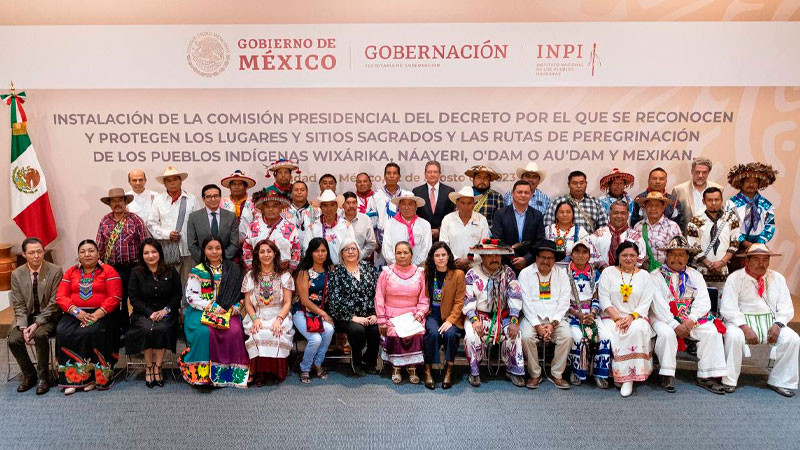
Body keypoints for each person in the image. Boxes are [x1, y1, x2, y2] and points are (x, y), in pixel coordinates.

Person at [649, 236, 727, 394]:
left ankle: (707, 375)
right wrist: (674, 325)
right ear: (666, 256)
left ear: (687, 257)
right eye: (673, 254)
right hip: (663, 318)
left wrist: (691, 320)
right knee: (666, 333)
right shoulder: (655, 276)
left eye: (681, 255)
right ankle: (667, 374)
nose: (677, 258)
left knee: (711, 331)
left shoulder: (695, 275)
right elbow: (658, 305)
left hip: (689, 318)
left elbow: (703, 302)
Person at [720, 244, 799, 397]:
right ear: (747, 261)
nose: (761, 264)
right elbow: (728, 308)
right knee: (734, 336)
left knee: (792, 338)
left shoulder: (778, 278)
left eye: (765, 260)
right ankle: (729, 380)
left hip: (770, 322)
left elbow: (786, 307)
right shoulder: (735, 278)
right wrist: (745, 327)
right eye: (756, 259)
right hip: (740, 322)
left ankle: (780, 381)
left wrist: (778, 324)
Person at [179, 237, 249, 388]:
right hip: (200, 310)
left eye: (218, 248)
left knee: (234, 331)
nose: (214, 252)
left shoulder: (233, 270)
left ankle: (227, 374)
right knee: (204, 332)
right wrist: (214, 308)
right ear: (204, 251)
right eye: (210, 248)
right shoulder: (197, 271)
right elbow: (191, 298)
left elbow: (241, 295)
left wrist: (236, 308)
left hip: (227, 311)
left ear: (222, 250)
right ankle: (202, 375)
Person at [55, 240, 122, 395]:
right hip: (75, 313)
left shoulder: (109, 271)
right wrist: (77, 312)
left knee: (91, 332)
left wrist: (96, 315)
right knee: (63, 331)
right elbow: (60, 296)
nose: (87, 254)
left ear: (98, 254)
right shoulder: (71, 272)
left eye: (91, 251)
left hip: (102, 314)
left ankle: (93, 378)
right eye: (83, 251)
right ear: (78, 255)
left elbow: (115, 297)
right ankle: (72, 379)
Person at [462, 239, 526, 387]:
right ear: (482, 256)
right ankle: (474, 372)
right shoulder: (472, 274)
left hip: (503, 316)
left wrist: (514, 320)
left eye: (497, 255)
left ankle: (513, 371)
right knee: (471, 336)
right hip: (477, 315)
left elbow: (515, 295)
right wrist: (474, 320)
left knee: (515, 334)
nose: (494, 258)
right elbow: (467, 298)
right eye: (490, 255)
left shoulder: (508, 273)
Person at [597, 241, 654, 397]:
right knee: (616, 332)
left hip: (637, 317)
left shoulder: (645, 276)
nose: (628, 259)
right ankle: (619, 375)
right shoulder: (608, 272)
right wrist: (617, 319)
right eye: (624, 255)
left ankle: (628, 378)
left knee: (636, 329)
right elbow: (604, 299)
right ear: (618, 256)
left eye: (632, 255)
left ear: (637, 257)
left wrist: (631, 317)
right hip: (611, 317)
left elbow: (646, 302)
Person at [7, 237, 63, 395]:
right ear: (24, 254)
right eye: (32, 253)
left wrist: (37, 323)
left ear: (44, 252)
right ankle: (29, 374)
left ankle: (43, 377)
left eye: (39, 251)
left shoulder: (55, 270)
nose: (36, 256)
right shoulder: (17, 274)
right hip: (27, 316)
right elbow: (18, 304)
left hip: (49, 316)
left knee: (40, 335)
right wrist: (23, 326)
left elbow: (54, 303)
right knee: (14, 339)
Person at [95, 187, 149, 349]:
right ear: (109, 204)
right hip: (112, 269)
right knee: (118, 301)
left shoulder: (135, 220)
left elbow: (145, 244)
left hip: (134, 267)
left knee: (136, 300)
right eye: (114, 201)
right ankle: (124, 332)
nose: (117, 203)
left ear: (125, 202)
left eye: (120, 200)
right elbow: (100, 246)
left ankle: (139, 333)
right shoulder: (104, 221)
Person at [125, 238, 181, 388]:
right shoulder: (136, 273)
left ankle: (158, 366)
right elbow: (134, 298)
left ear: (160, 253)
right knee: (146, 329)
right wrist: (149, 313)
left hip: (166, 312)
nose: (150, 256)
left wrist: (165, 310)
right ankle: (149, 367)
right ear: (142, 255)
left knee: (162, 328)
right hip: (143, 313)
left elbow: (177, 295)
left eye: (154, 252)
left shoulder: (170, 270)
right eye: (146, 253)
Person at [518, 240, 573, 389]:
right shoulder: (525, 274)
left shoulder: (561, 274)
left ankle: (557, 374)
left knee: (567, 337)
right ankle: (535, 374)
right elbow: (526, 303)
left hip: (555, 319)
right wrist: (537, 325)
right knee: (526, 337)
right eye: (542, 257)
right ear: (536, 257)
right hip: (532, 318)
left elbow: (564, 302)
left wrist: (553, 324)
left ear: (555, 260)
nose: (546, 261)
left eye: (550, 258)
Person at [241, 239, 295, 386]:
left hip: (280, 314)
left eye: (269, 251)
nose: (266, 255)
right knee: (257, 332)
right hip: (257, 314)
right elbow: (248, 304)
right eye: (262, 252)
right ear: (257, 255)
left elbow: (288, 303)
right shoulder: (250, 276)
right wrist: (254, 319)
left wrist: (279, 319)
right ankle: (260, 373)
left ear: (275, 253)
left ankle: (277, 372)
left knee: (276, 331)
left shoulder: (284, 275)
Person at [376, 241, 429, 384]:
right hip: (391, 314)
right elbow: (379, 297)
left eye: (405, 252)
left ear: (411, 255)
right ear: (394, 255)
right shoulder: (386, 272)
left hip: (413, 314)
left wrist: (420, 314)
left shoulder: (419, 273)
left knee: (416, 332)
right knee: (394, 333)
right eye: (398, 253)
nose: (402, 255)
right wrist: (381, 319)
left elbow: (424, 298)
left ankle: (412, 367)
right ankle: (396, 367)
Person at [328, 239, 380, 376]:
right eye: (346, 249)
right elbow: (334, 301)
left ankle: (370, 361)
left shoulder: (368, 268)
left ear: (358, 252)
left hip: (369, 313)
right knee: (358, 330)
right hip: (345, 316)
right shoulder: (337, 272)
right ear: (342, 254)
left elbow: (378, 293)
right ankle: (356, 360)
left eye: (353, 249)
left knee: (375, 329)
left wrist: (375, 313)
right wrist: (353, 317)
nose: (350, 252)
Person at [564, 241, 610, 388]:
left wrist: (593, 313)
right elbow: (562, 299)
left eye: (584, 252)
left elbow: (597, 297)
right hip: (571, 314)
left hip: (591, 314)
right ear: (571, 255)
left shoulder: (594, 274)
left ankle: (600, 374)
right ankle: (576, 371)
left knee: (605, 337)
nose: (580, 255)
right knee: (578, 338)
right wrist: (577, 314)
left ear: (589, 256)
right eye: (577, 252)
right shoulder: (565, 273)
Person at [147, 166, 200, 290]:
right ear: (164, 183)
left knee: (190, 284)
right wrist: (167, 234)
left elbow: (198, 223)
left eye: (175, 179)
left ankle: (187, 303)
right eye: (169, 180)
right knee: (169, 284)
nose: (172, 183)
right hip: (167, 250)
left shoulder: (191, 199)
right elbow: (151, 224)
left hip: (188, 250)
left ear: (181, 181)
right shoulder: (158, 200)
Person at [422, 242, 465, 390]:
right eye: (437, 255)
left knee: (450, 334)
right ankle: (428, 370)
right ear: (432, 258)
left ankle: (449, 370)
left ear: (448, 256)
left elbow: (459, 301)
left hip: (451, 316)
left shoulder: (458, 274)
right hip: (432, 315)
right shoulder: (427, 273)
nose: (440, 258)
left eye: (443, 255)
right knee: (433, 333)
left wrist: (450, 320)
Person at [293, 238, 336, 383]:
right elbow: (304, 300)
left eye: (323, 250)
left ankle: (317, 363)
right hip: (302, 312)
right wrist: (324, 314)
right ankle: (305, 368)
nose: (320, 254)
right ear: (310, 252)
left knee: (329, 330)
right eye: (317, 251)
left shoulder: (330, 269)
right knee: (315, 339)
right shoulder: (304, 272)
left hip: (319, 314)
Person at [725, 162, 778, 271]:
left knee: (758, 272)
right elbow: (729, 225)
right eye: (748, 181)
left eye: (754, 182)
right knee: (737, 275)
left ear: (759, 184)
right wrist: (744, 242)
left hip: (759, 247)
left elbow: (770, 225)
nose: (751, 184)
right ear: (741, 183)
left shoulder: (766, 204)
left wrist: (760, 242)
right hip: (736, 247)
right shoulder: (732, 203)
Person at [686, 187, 741, 289]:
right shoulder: (696, 221)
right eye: (710, 200)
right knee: (702, 296)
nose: (714, 203)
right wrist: (708, 263)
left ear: (722, 200)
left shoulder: (731, 219)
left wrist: (722, 262)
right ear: (704, 201)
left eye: (717, 199)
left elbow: (735, 243)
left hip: (723, 270)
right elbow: (693, 246)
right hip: (701, 271)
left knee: (723, 297)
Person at [490, 180, 546, 272]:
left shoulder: (537, 215)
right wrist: (513, 257)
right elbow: (497, 240)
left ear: (531, 195)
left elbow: (539, 241)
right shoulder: (500, 214)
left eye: (526, 192)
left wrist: (526, 259)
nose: (523, 195)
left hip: (530, 266)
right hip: (505, 264)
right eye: (520, 192)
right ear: (513, 194)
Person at [243, 186, 301, 271]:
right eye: (267, 206)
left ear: (281, 208)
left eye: (275, 206)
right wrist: (252, 269)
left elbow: (296, 250)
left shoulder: (290, 227)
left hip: (283, 271)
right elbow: (247, 249)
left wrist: (290, 271)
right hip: (258, 271)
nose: (270, 209)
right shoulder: (253, 226)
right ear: (262, 208)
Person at [439, 186, 490, 271]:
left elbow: (484, 246)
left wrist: (468, 260)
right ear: (457, 203)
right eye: (462, 203)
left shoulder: (482, 220)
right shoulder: (447, 219)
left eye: (469, 203)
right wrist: (456, 259)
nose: (466, 206)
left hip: (476, 268)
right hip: (452, 266)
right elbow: (444, 244)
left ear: (474, 204)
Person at [586, 200, 645, 269]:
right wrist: (602, 266)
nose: (619, 216)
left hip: (629, 274)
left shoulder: (636, 238)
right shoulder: (597, 235)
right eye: (615, 213)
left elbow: (641, 259)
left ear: (628, 215)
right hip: (601, 274)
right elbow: (590, 257)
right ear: (609, 214)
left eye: (623, 213)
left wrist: (624, 269)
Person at [187, 184, 239, 263]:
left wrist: (222, 259)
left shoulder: (231, 216)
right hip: (202, 263)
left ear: (220, 197)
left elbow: (234, 243)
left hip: (226, 263)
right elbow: (192, 244)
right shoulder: (194, 217)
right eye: (209, 197)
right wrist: (205, 259)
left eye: (216, 196)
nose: (213, 199)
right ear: (203, 199)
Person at [632, 191, 682, 271]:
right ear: (645, 207)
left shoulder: (672, 227)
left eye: (657, 205)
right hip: (642, 272)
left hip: (665, 272)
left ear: (663, 207)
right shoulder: (638, 226)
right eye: (650, 205)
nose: (653, 209)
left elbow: (678, 252)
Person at [381, 191, 432, 266]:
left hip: (418, 268)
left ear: (416, 207)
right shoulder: (390, 224)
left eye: (410, 204)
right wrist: (399, 265)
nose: (407, 207)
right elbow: (386, 249)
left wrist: (414, 266)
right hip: (395, 268)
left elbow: (426, 248)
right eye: (403, 204)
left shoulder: (425, 225)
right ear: (399, 206)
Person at [672, 157, 722, 232]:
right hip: (686, 236)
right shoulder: (679, 190)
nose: (700, 175)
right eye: (697, 172)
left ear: (708, 172)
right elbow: (673, 217)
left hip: (711, 235)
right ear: (692, 171)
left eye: (704, 172)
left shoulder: (719, 189)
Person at [303, 190, 354, 265]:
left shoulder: (346, 226)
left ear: (337, 206)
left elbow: (352, 249)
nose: (329, 209)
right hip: (319, 267)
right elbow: (307, 249)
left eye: (332, 205)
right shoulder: (313, 227)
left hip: (342, 267)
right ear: (321, 208)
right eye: (325, 205)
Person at [412, 160, 455, 241]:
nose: (432, 174)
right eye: (429, 172)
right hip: (422, 236)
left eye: (435, 172)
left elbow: (451, 215)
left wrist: (439, 230)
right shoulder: (417, 191)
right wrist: (427, 230)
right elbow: (415, 215)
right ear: (425, 174)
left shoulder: (449, 191)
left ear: (439, 174)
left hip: (443, 236)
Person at [373, 162, 404, 265]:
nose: (391, 176)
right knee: (383, 272)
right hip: (381, 243)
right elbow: (372, 222)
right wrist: (375, 241)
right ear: (384, 176)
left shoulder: (407, 195)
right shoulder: (376, 196)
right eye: (389, 173)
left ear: (399, 176)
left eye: (394, 173)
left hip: (403, 242)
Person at [544, 200, 589, 266]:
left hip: (572, 269)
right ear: (556, 215)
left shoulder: (581, 231)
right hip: (550, 268)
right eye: (561, 212)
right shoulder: (548, 229)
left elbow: (588, 253)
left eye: (568, 212)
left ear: (573, 215)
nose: (565, 215)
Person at [220, 169, 258, 242]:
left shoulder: (253, 202)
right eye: (233, 184)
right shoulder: (222, 202)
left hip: (249, 243)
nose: (236, 187)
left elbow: (258, 224)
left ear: (246, 187)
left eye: (240, 184)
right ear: (230, 187)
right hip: (226, 243)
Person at [341, 191, 377, 261]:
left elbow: (372, 243)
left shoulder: (365, 219)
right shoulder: (338, 219)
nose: (351, 206)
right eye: (348, 203)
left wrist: (359, 256)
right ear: (342, 205)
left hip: (361, 260)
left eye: (354, 202)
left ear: (357, 204)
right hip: (340, 262)